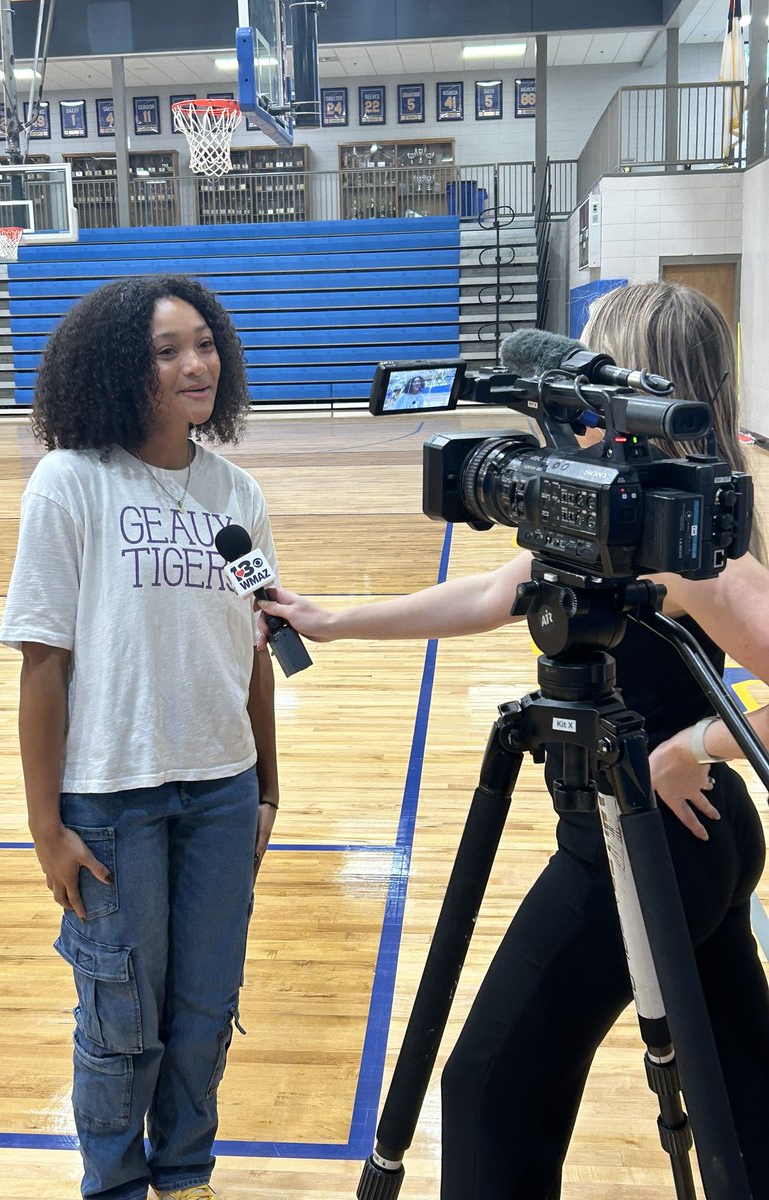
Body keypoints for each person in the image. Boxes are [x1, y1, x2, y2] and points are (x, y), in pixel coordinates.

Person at [257, 281, 769, 1198]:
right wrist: (331, 620)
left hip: (647, 838)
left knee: (489, 1085)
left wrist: (697, 740)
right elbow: (491, 596)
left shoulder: (693, 553)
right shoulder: (624, 515)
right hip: (693, 841)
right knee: (741, 1083)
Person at [0, 274, 280, 1200]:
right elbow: (43, 663)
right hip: (111, 799)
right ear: (124, 367)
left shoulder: (236, 490)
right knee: (121, 1023)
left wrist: (267, 787)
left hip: (222, 793)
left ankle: (186, 1176)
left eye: (204, 342)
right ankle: (114, 1186)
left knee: (203, 1015)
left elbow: (258, 648)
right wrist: (48, 827)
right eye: (168, 350)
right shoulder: (70, 482)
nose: (196, 363)